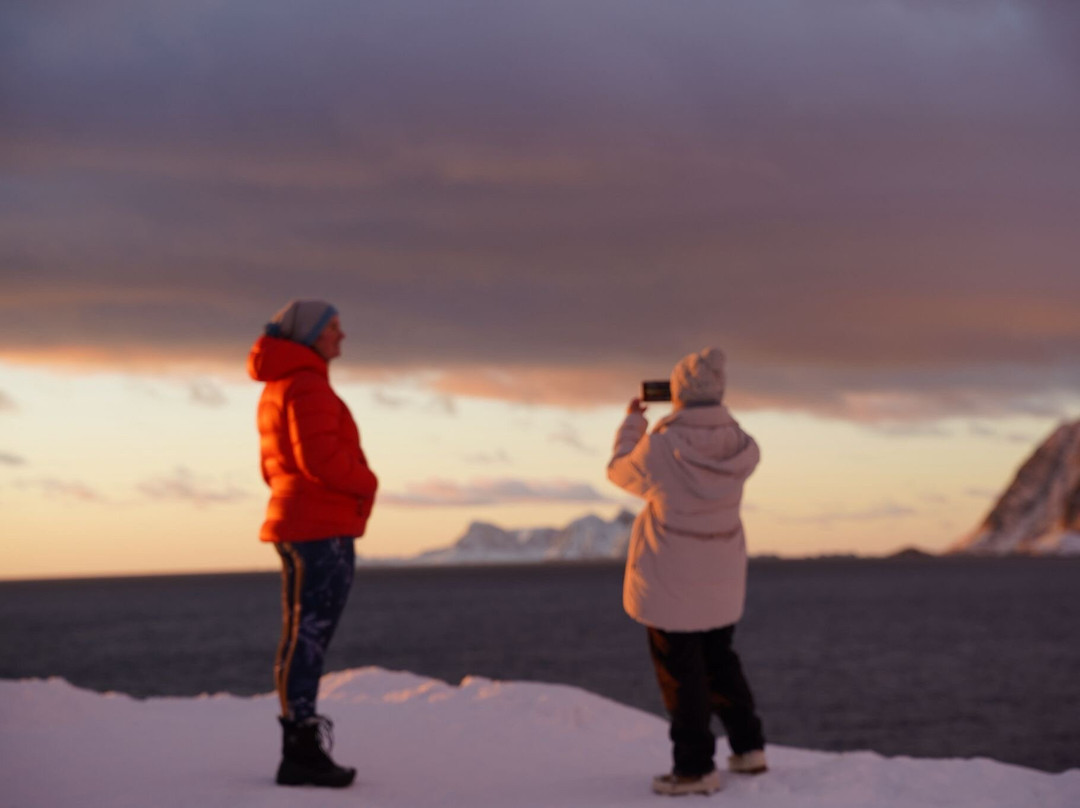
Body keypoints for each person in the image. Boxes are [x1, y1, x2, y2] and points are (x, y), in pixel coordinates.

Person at [607, 348, 766, 797]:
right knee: (719, 660)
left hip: (670, 579)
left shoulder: (660, 446)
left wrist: (632, 425)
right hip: (721, 576)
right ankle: (749, 748)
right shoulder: (743, 446)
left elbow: (619, 472)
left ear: (678, 392)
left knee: (683, 675)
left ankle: (695, 769)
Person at [247, 299, 378, 788]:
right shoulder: (307, 386)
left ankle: (298, 742)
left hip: (297, 522)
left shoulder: (285, 384)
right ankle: (300, 748)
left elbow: (273, 467)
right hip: (319, 529)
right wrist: (368, 482)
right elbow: (319, 459)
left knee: (300, 633)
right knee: (310, 635)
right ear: (311, 335)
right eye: (334, 329)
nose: (341, 337)